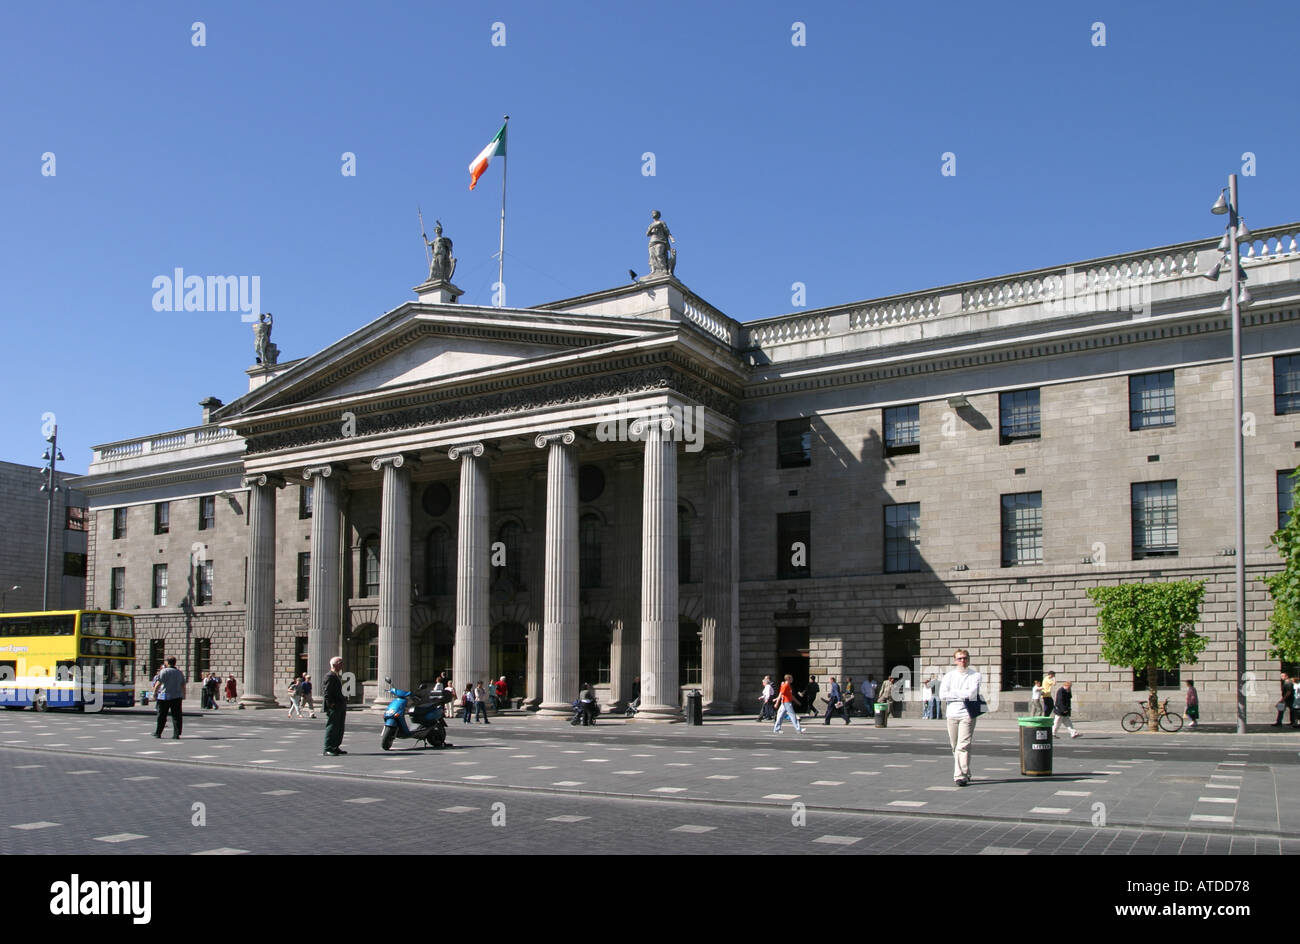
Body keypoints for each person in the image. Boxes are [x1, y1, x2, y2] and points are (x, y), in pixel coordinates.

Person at [938, 649, 982, 786]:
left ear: (969, 659)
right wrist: (961, 694)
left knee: (963, 745)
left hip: (967, 714)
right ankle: (966, 772)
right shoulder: (949, 676)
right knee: (954, 746)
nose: (962, 661)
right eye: (959, 658)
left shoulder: (975, 675)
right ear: (955, 660)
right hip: (951, 714)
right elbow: (942, 695)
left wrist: (954, 693)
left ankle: (959, 776)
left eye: (965, 658)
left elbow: (972, 694)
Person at [152, 656, 185, 739]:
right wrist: (183, 695)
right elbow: (183, 685)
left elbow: (158, 683)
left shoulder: (164, 671)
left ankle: (158, 732)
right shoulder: (179, 672)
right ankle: (176, 734)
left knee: (162, 715)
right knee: (177, 716)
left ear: (167, 662)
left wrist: (154, 693)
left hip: (164, 696)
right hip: (177, 696)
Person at [322, 656, 347, 756]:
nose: (342, 665)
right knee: (332, 727)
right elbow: (326, 692)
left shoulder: (336, 675)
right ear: (334, 664)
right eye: (340, 662)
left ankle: (335, 746)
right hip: (334, 706)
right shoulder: (329, 676)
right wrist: (330, 704)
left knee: (339, 727)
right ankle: (328, 748)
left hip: (340, 705)